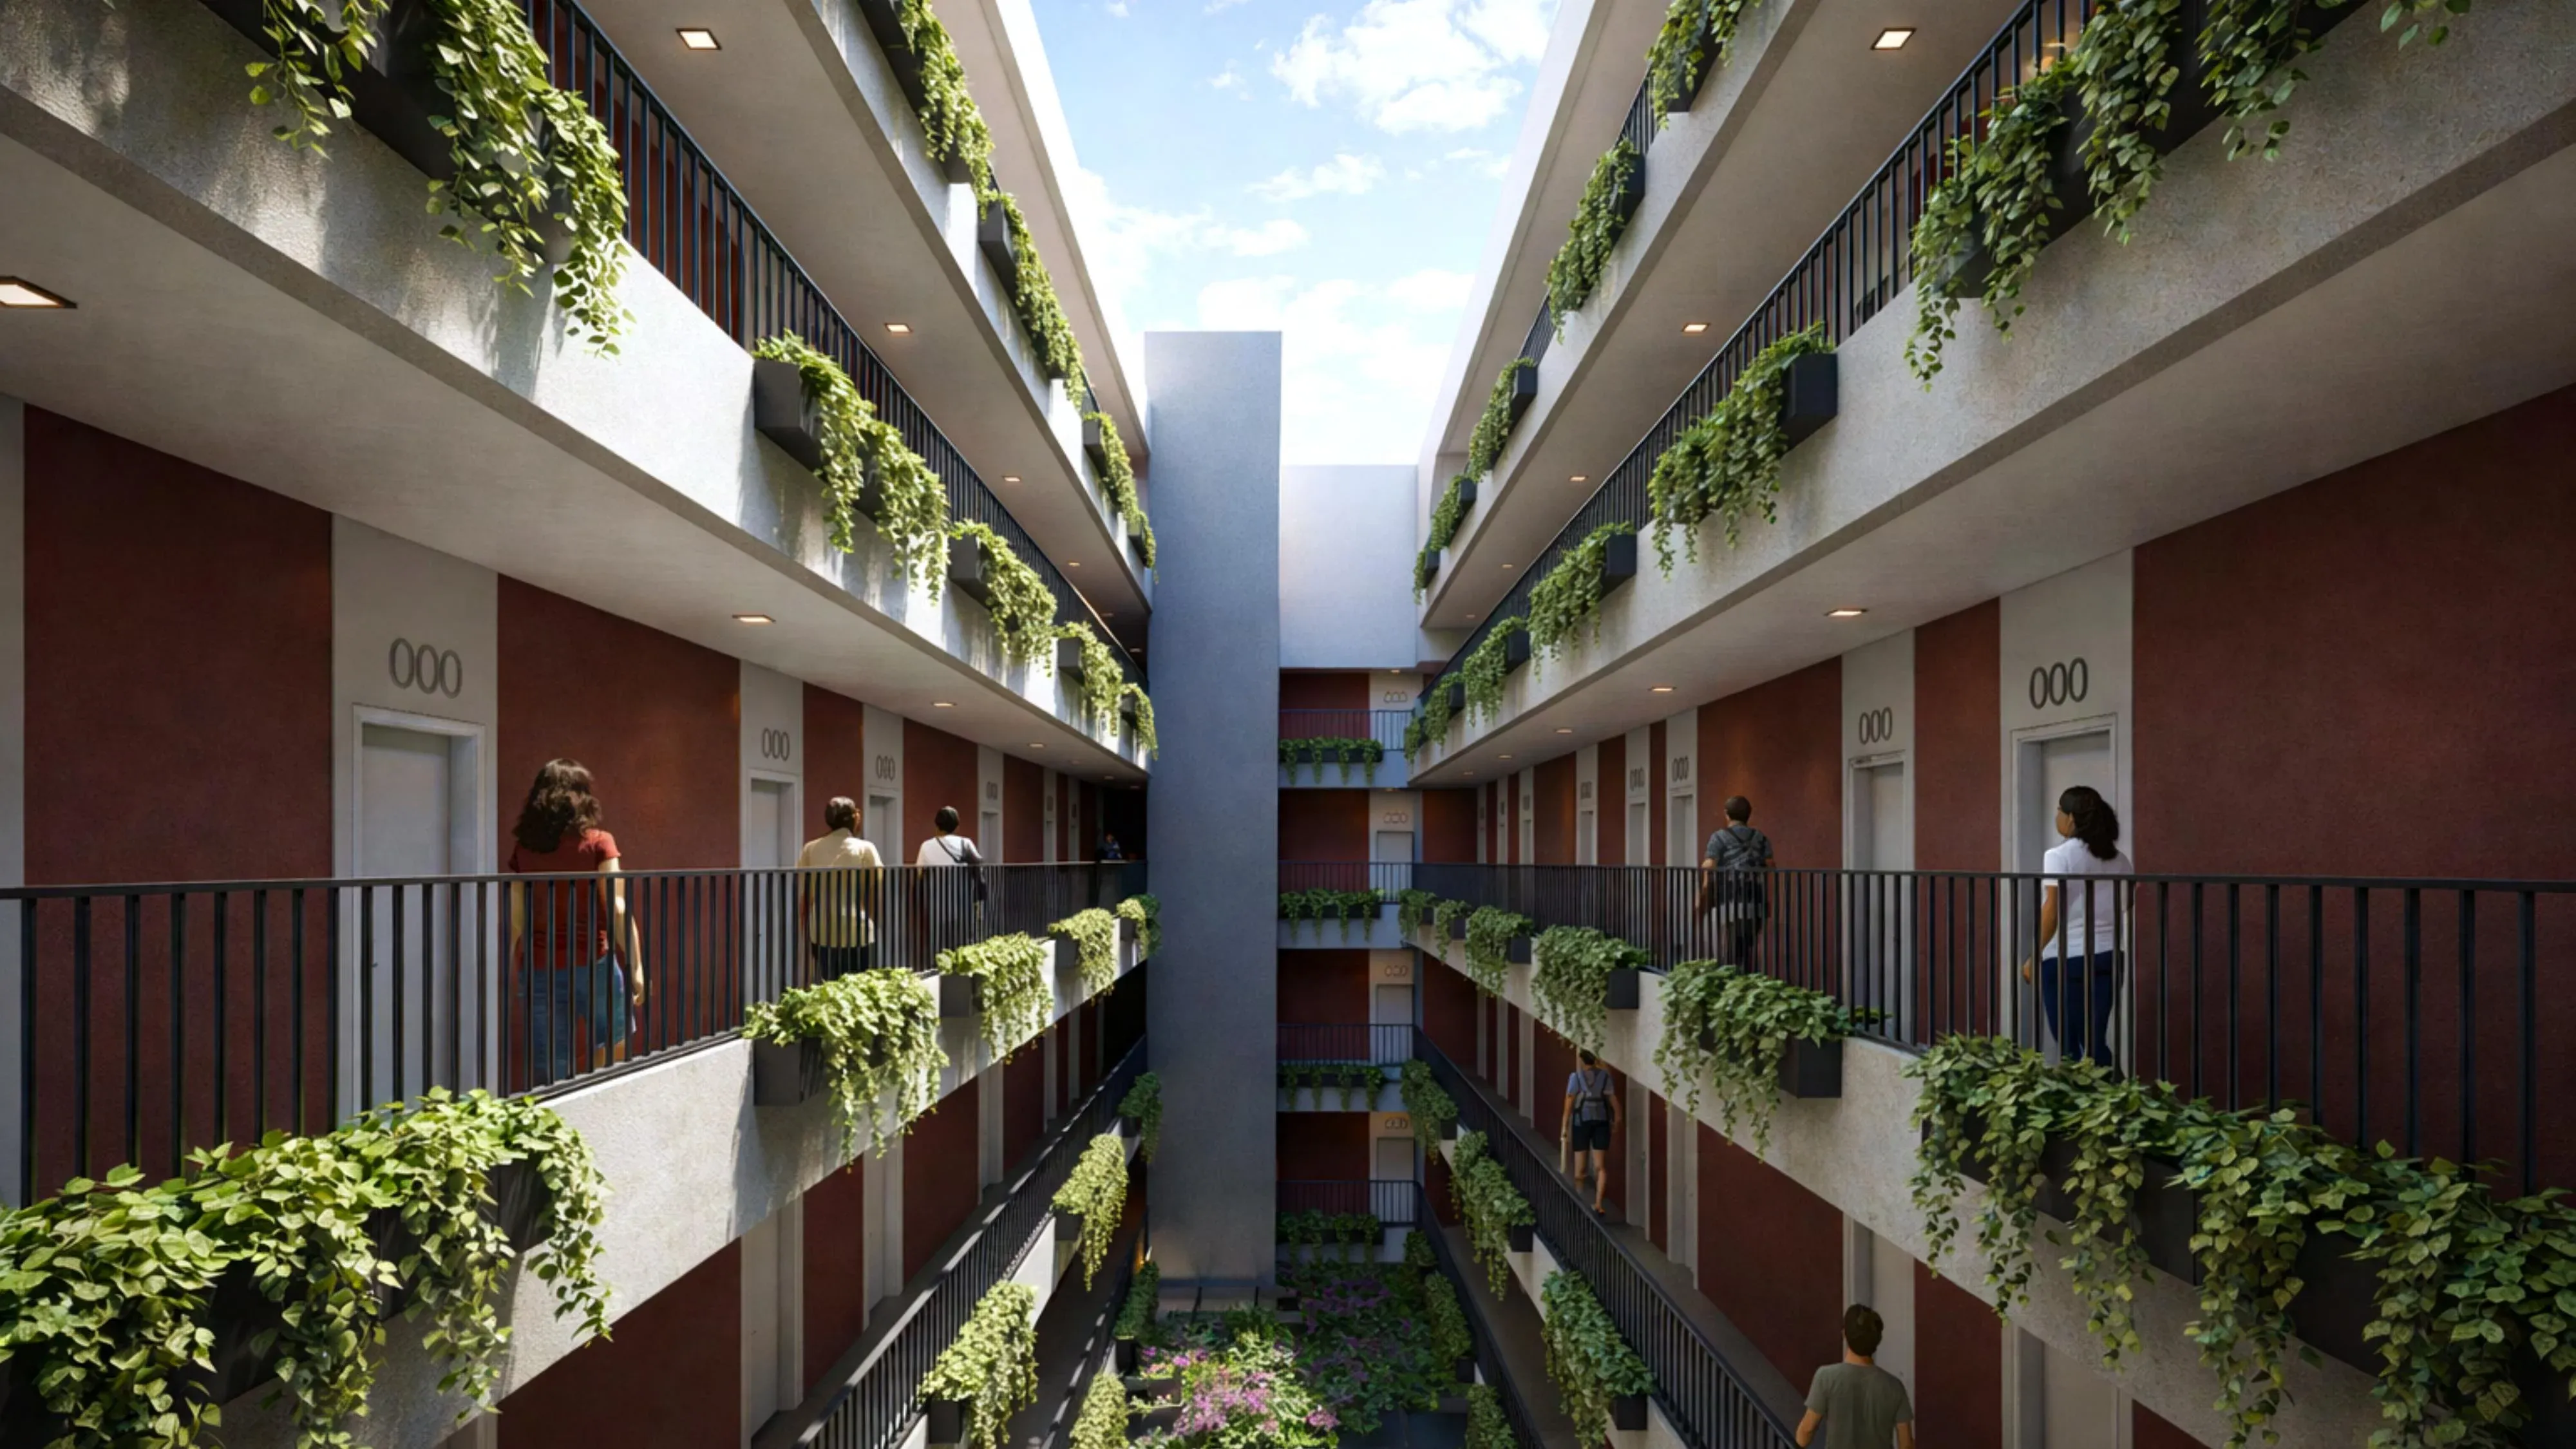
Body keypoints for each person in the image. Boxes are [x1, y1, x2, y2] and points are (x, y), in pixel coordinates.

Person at [506, 759, 644, 1084]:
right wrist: (637, 967)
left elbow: (517, 919)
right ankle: (591, 1091)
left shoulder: (524, 850)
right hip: (593, 961)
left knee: (552, 1061)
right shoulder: (600, 842)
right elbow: (617, 908)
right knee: (614, 1042)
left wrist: (516, 965)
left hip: (540, 965)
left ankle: (565, 1103)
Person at [2020, 785, 2132, 1070]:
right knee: (2095, 1041)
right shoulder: (2119, 859)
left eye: (2059, 810)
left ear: (2070, 818)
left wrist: (2034, 955)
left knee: (2069, 1045)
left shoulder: (2058, 856)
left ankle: (2082, 1092)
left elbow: (2052, 910)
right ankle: (2114, 1090)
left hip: (2066, 959)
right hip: (2109, 957)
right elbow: (2126, 902)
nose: (2056, 816)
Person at [1796, 1305, 1915, 1449]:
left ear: (1845, 1334)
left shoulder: (1826, 1377)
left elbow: (1806, 1431)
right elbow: (1906, 1444)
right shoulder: (1895, 1387)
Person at [798, 796, 883, 981]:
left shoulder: (810, 849)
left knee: (829, 985)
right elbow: (875, 887)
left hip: (822, 929)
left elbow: (806, 894)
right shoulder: (866, 849)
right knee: (859, 986)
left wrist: (805, 928)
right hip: (856, 929)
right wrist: (875, 922)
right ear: (855, 818)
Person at [1701, 797, 1774, 966]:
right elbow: (1770, 865)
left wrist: (1704, 889)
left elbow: (1710, 866)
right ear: (1749, 815)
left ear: (1727, 814)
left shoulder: (1719, 837)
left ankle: (1731, 974)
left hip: (1729, 899)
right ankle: (1744, 974)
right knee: (1747, 946)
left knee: (1729, 947)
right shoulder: (1760, 837)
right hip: (1755, 899)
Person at [1563, 1050, 1622, 1215]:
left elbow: (1569, 1101)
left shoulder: (1576, 1077)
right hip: (1601, 1123)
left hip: (1581, 1123)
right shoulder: (1605, 1076)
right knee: (1600, 1167)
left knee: (1580, 1169)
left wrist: (1564, 1126)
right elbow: (1613, 1100)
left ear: (1582, 1061)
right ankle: (1598, 1204)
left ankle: (1579, 1200)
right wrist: (1617, 1120)